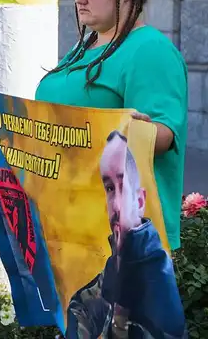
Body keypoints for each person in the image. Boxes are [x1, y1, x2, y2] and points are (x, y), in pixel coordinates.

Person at [36, 0, 188, 250]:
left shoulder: (150, 50)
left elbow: (163, 135)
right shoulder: (85, 46)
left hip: (119, 237)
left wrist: (133, 129)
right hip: (68, 219)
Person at [66, 131, 186, 339]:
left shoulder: (154, 274)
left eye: (123, 187)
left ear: (139, 202)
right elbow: (83, 305)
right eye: (110, 188)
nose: (116, 205)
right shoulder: (123, 258)